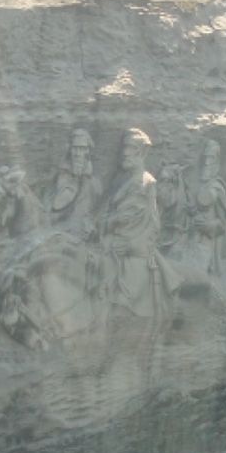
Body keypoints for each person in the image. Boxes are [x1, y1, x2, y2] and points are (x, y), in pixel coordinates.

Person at [99, 129, 176, 316]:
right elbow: (108, 212)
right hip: (109, 244)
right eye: (124, 147)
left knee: (122, 303)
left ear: (142, 152)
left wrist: (130, 246)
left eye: (131, 148)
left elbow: (152, 225)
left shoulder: (147, 184)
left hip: (133, 252)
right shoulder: (120, 180)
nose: (125, 152)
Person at [189, 139, 226, 275]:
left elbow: (224, 223)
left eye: (211, 158)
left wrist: (208, 226)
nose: (207, 162)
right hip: (192, 238)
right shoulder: (199, 185)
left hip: (207, 242)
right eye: (205, 157)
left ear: (217, 161)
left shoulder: (217, 188)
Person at [46, 128, 101, 235]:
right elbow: (53, 206)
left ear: (87, 151)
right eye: (74, 148)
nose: (77, 154)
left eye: (82, 148)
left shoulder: (95, 184)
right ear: (69, 150)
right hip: (58, 228)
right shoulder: (60, 177)